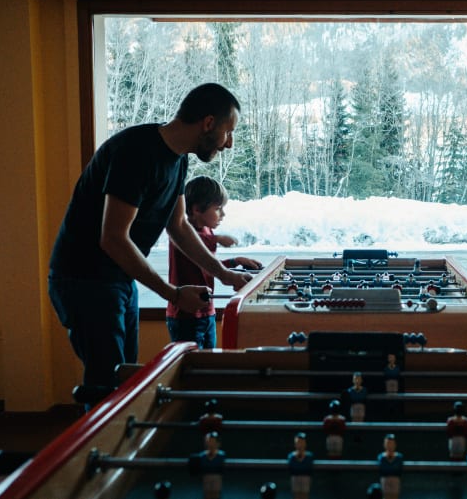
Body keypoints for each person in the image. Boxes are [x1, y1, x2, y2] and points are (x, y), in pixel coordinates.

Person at [48, 83, 253, 396]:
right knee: (107, 386)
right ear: (208, 123)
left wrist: (223, 273)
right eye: (228, 132)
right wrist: (172, 294)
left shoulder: (179, 158)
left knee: (124, 379)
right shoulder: (137, 152)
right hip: (84, 280)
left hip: (116, 279)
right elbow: (113, 238)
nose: (229, 143)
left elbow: (179, 225)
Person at [166, 175, 262, 348]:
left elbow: (209, 266)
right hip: (185, 316)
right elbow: (200, 242)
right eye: (218, 208)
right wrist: (218, 239)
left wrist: (235, 261)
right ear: (196, 209)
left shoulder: (207, 231)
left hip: (207, 313)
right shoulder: (182, 236)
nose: (223, 214)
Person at [287, 432, 314, 499]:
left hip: (306, 478)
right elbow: (293, 466)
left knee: (305, 495)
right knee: (296, 495)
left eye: (302, 442)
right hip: (295, 477)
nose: (300, 444)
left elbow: (307, 466)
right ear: (295, 444)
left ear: (305, 443)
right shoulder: (291, 456)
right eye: (298, 442)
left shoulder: (309, 456)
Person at [378, 434, 403, 499]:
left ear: (395, 444)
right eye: (388, 443)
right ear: (384, 444)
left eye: (391, 443)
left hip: (395, 482)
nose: (390, 446)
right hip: (385, 481)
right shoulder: (381, 457)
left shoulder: (399, 457)